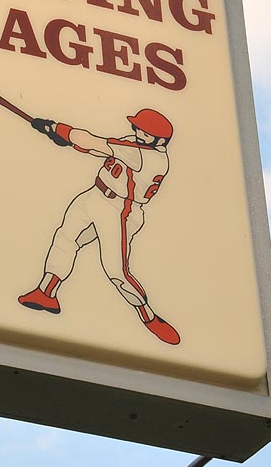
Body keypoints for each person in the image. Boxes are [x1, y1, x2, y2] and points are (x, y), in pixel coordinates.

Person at [17, 109, 180, 345]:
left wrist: (58, 128)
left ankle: (149, 316)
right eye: (139, 128)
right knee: (66, 237)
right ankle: (46, 293)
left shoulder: (148, 155)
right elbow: (97, 148)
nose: (139, 132)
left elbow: (95, 142)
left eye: (146, 132)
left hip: (120, 210)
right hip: (95, 195)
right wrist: (64, 140)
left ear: (160, 140)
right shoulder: (135, 144)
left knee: (116, 270)